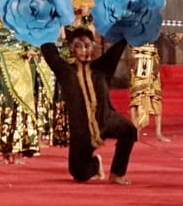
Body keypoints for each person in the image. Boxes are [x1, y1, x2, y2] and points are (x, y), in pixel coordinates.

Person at [39, 28, 135, 184]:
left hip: (106, 120)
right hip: (82, 132)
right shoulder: (65, 71)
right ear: (71, 48)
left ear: (94, 46)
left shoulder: (103, 67)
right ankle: (95, 164)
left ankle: (117, 173)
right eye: (78, 46)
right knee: (79, 173)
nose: (83, 50)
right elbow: (50, 54)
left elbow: (118, 48)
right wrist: (41, 28)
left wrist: (129, 29)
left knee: (129, 130)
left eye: (87, 45)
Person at [0, 0, 55, 163]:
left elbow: (37, 40)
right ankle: (5, 152)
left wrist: (31, 50)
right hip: (4, 70)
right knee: (5, 106)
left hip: (22, 70)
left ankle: (19, 151)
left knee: (21, 108)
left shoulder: (26, 21)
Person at [128, 43, 166, 140]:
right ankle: (134, 132)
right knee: (136, 97)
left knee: (156, 97)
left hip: (152, 57)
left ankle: (158, 133)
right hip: (138, 58)